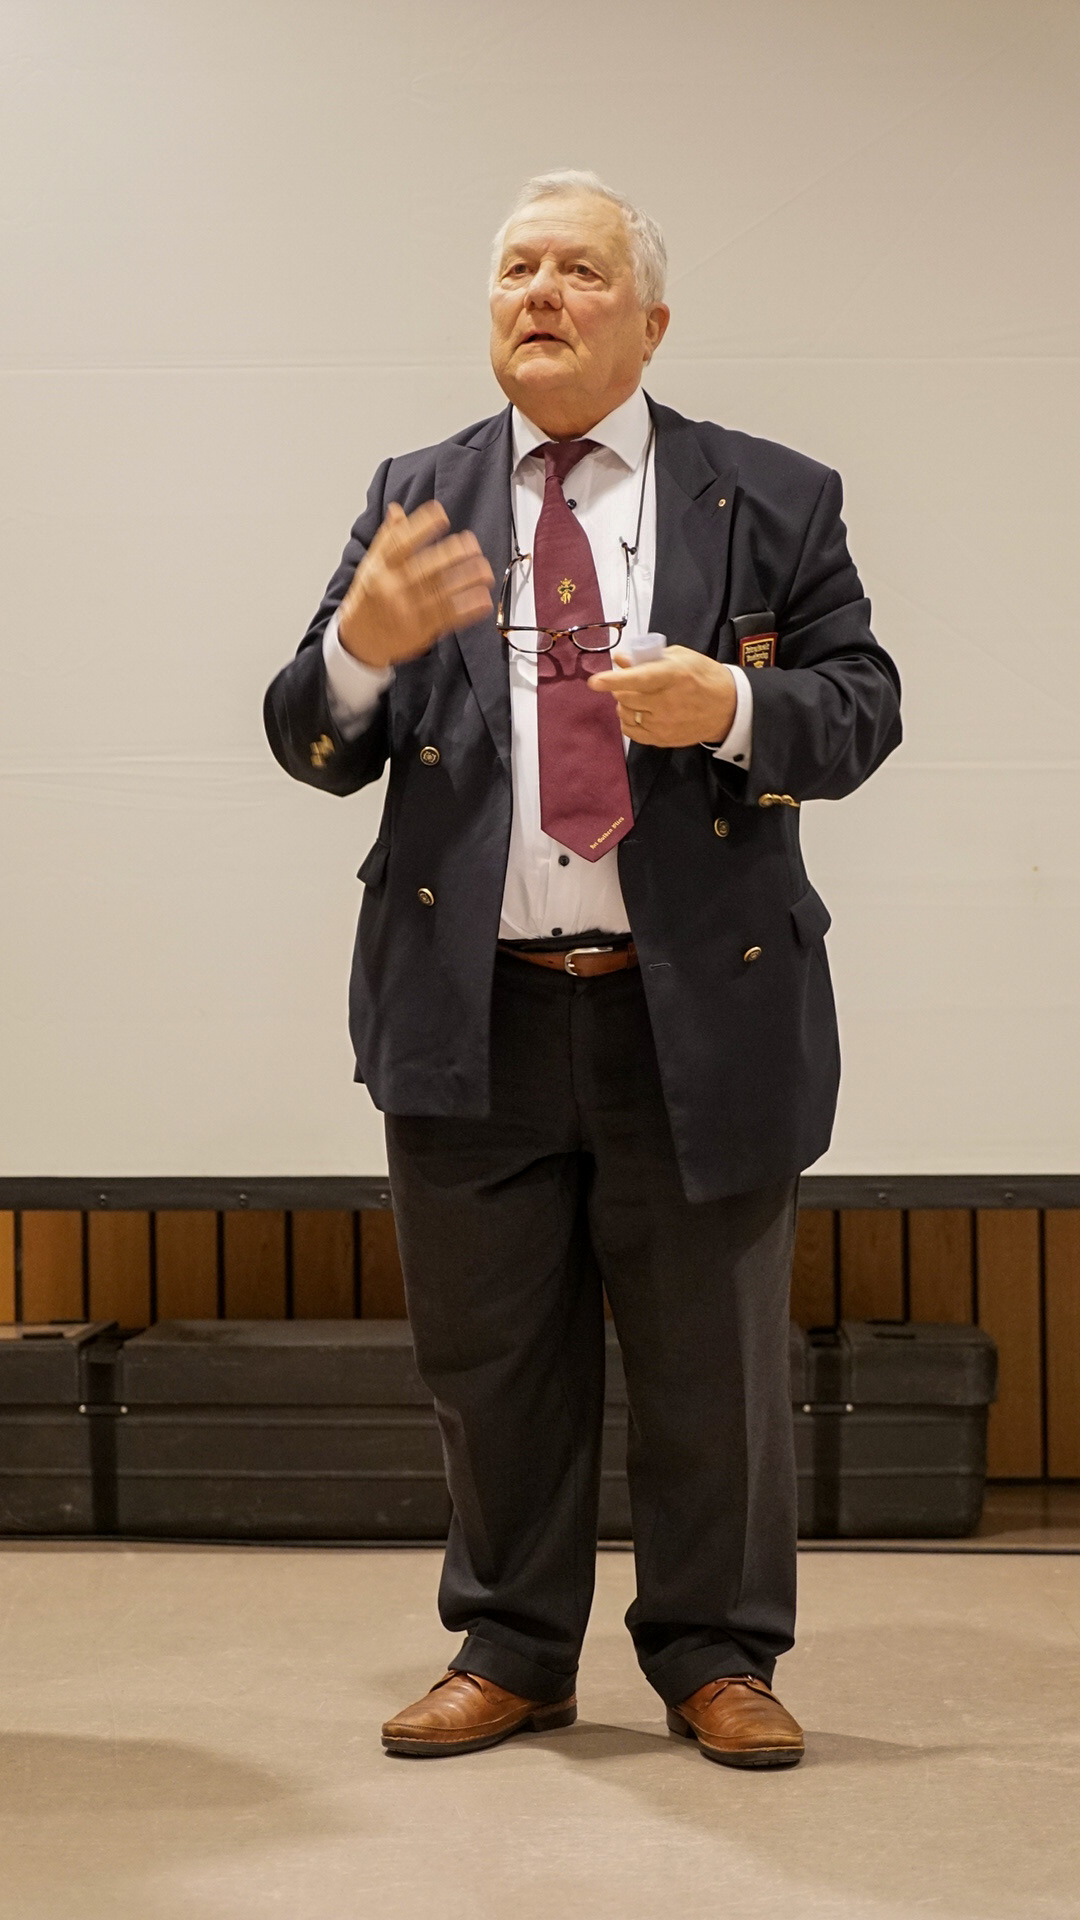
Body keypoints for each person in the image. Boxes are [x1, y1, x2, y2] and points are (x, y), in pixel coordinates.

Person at [264, 171, 901, 1769]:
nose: (540, 293)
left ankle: (717, 1654)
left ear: (652, 321)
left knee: (712, 1369)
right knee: (489, 1366)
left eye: (579, 270)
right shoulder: (419, 496)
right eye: (516, 269)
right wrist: (358, 648)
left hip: (693, 1009)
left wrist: (731, 710)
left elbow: (863, 710)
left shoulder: (770, 495)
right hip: (470, 1008)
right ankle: (512, 1648)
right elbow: (308, 738)